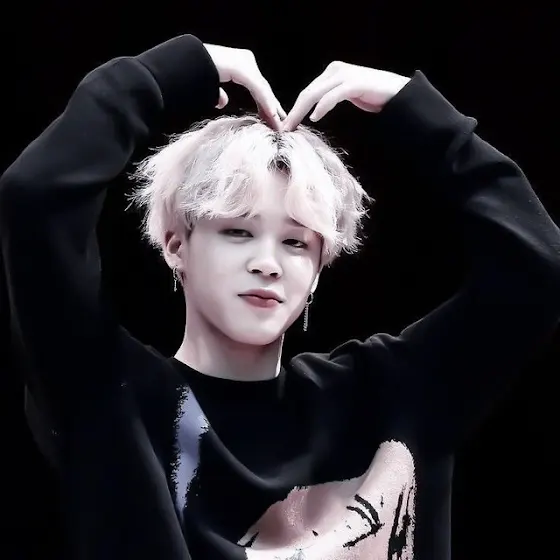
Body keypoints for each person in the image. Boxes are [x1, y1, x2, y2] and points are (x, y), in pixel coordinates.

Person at [1, 33, 559, 560]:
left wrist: (419, 112)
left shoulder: (391, 394)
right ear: (176, 245)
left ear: (318, 269)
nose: (267, 263)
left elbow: (537, 268)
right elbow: (37, 196)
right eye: (237, 231)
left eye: (295, 242)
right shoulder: (107, 394)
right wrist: (168, 71)